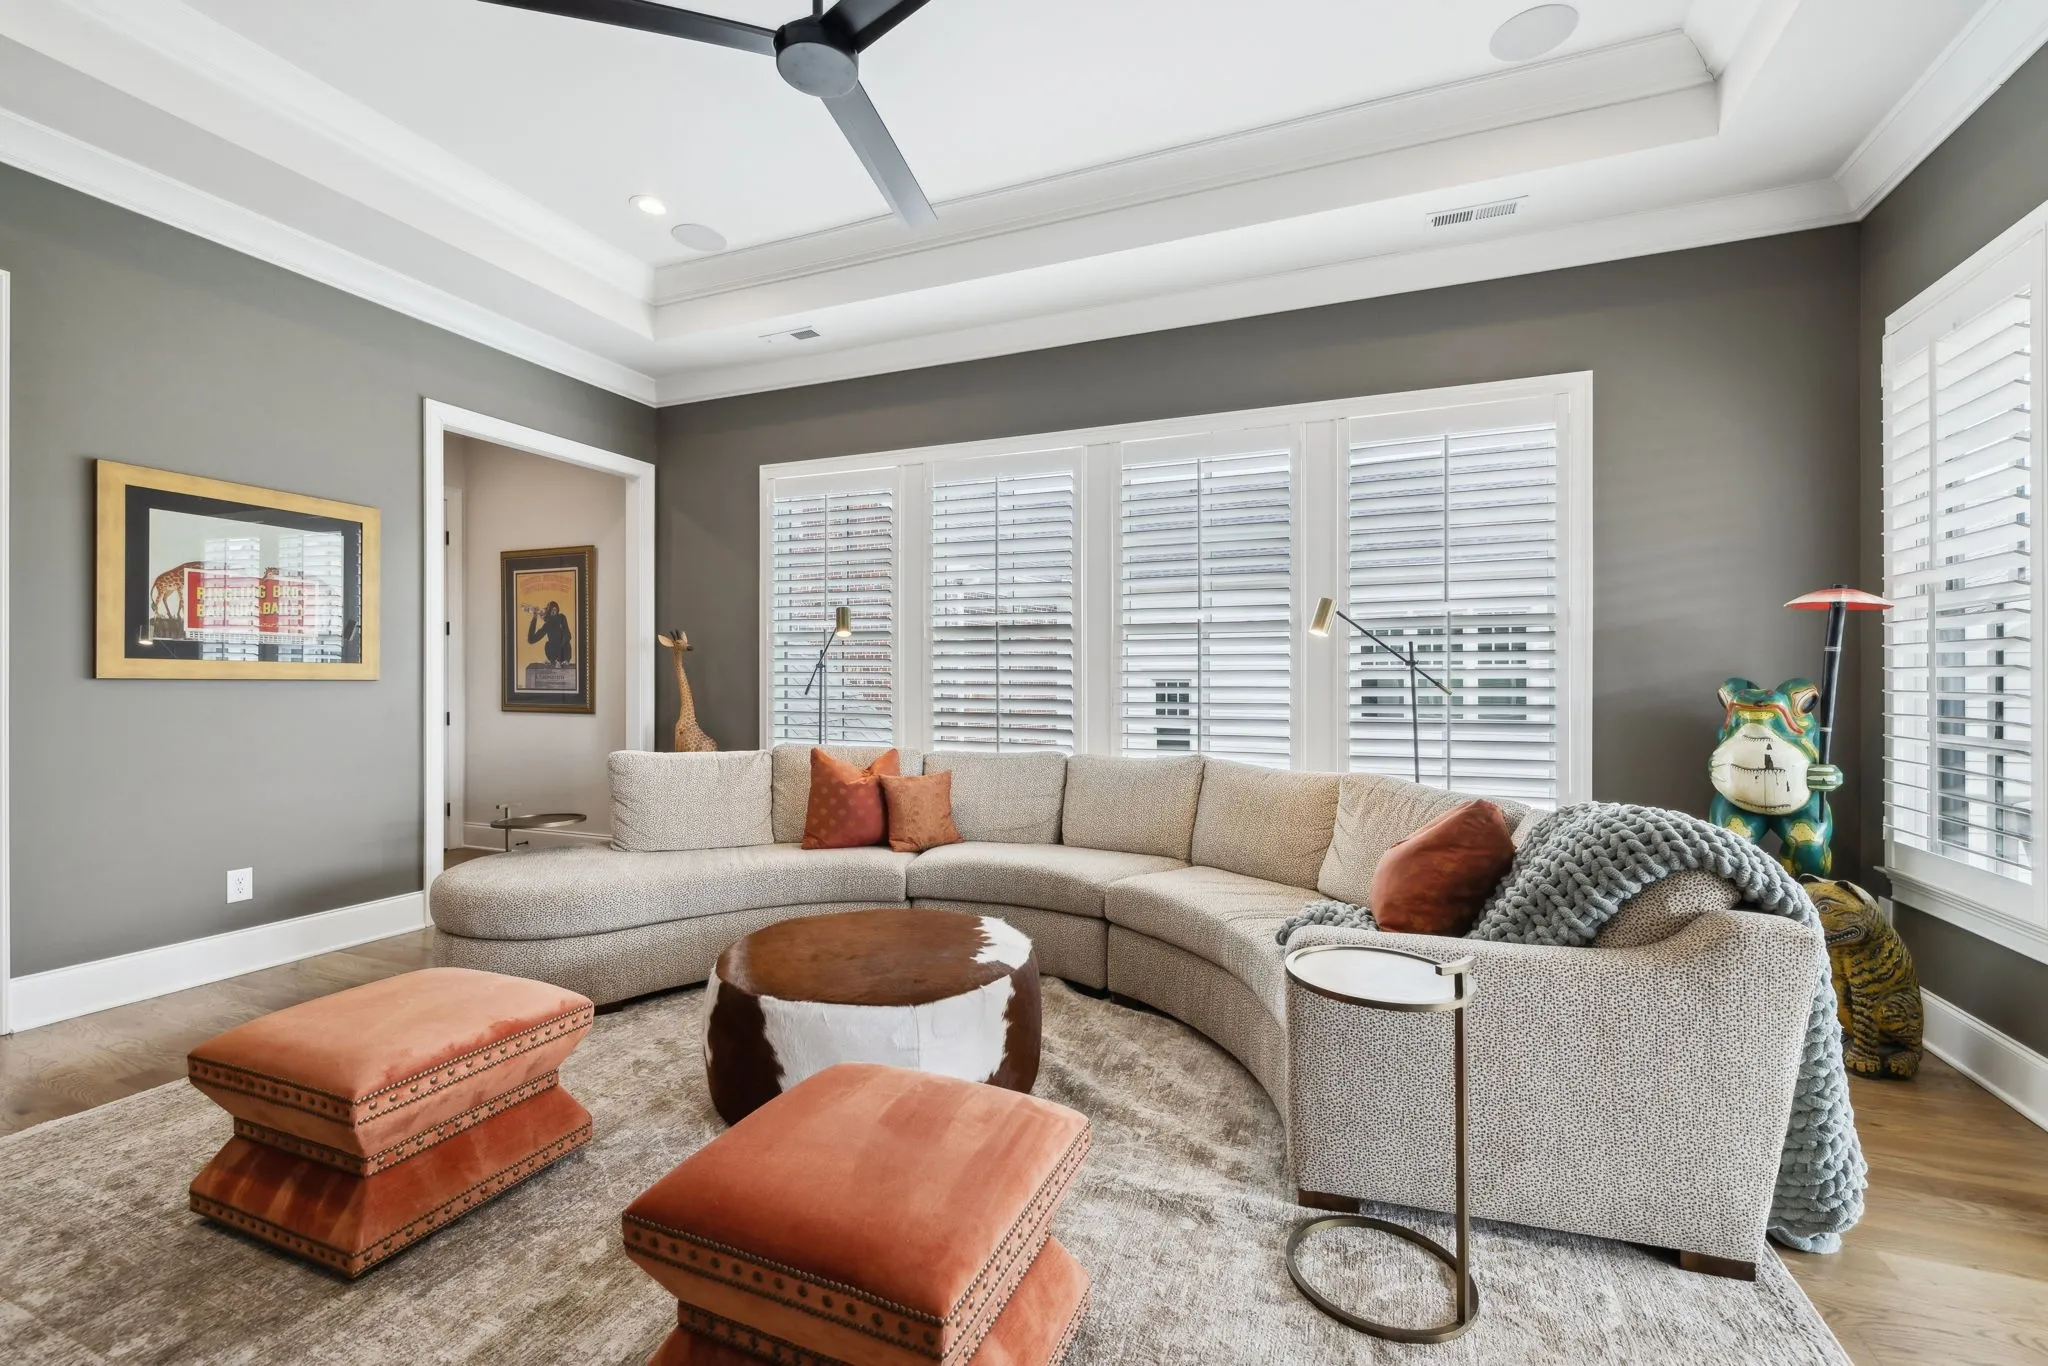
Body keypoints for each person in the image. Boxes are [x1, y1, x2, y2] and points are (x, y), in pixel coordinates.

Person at [527, 599, 572, 666]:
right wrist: (534, 618)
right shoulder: (547, 625)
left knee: (566, 641)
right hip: (553, 653)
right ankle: (553, 660)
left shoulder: (561, 617)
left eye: (555, 610)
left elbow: (568, 636)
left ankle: (562, 660)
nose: (553, 612)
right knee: (547, 644)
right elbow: (531, 640)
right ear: (549, 612)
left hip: (564, 652)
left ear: (557, 610)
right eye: (551, 610)